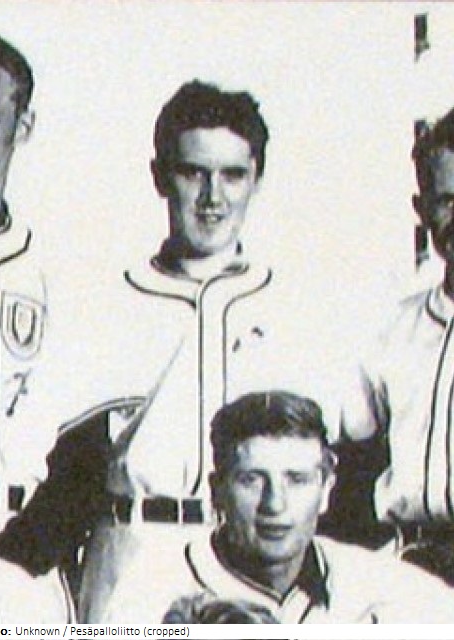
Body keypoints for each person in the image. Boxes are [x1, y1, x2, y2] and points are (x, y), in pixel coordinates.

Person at [0, 79, 283, 621]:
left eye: (232, 175)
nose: (213, 197)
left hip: (248, 559)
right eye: (193, 172)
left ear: (256, 179)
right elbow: (71, 481)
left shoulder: (291, 308)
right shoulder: (108, 303)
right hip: (133, 557)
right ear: (160, 176)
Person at [103, 391, 454, 623]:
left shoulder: (390, 590)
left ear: (326, 489)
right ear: (217, 491)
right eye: (252, 480)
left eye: (297, 480)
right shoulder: (150, 595)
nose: (275, 504)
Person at [341, 105, 454, 585]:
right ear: (421, 209)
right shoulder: (392, 329)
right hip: (408, 567)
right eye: (447, 200)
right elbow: (352, 467)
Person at [0, 31, 47, 547]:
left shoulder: (55, 273)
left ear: (22, 127)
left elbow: (86, 445)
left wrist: (26, 554)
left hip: (17, 536)